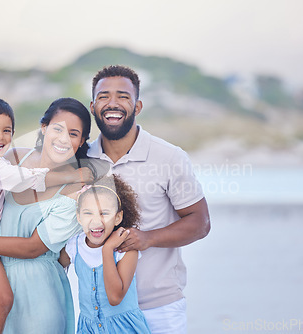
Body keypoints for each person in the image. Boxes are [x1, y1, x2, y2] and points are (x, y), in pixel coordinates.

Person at [0, 97, 94, 333]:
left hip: (38, 294)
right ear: (43, 128)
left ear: (82, 140)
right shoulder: (13, 158)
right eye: (57, 129)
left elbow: (32, 248)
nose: (63, 138)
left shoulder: (76, 192)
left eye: (73, 134)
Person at [87, 65, 211, 333]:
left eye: (123, 96)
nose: (112, 103)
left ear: (138, 106)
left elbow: (200, 222)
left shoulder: (168, 156)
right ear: (93, 105)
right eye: (103, 96)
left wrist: (148, 238)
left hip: (158, 309)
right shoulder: (81, 159)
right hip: (99, 310)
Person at [60, 174, 151, 333]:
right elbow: (51, 267)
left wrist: (107, 250)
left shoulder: (126, 250)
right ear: (78, 217)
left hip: (124, 329)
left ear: (118, 217)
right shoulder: (74, 246)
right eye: (88, 213)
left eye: (104, 213)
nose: (96, 221)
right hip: (88, 329)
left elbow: (115, 298)